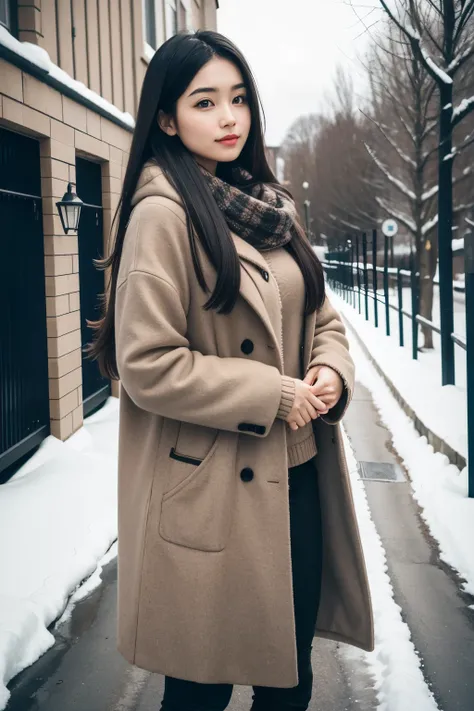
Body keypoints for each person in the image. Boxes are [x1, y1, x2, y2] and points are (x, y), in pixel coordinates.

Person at [88, 30, 373, 711]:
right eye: (205, 101)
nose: (228, 118)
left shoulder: (270, 208)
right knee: (199, 688)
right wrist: (271, 393)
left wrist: (330, 371)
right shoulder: (162, 213)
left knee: (289, 679)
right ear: (166, 117)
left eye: (239, 99)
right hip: (210, 488)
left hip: (295, 476)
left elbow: (320, 317)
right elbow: (146, 363)